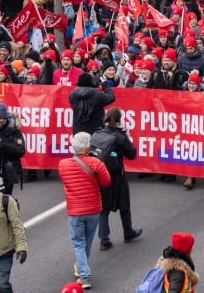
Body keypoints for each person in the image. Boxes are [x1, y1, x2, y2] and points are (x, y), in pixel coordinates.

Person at [58, 132, 112, 289]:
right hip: (94, 209)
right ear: (88, 146)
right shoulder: (95, 163)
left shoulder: (63, 165)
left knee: (79, 243)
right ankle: (80, 266)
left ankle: (85, 276)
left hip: (75, 211)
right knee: (86, 241)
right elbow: (106, 182)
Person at [96, 108, 142, 251]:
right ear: (118, 121)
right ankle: (128, 232)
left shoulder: (97, 134)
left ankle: (104, 240)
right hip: (117, 175)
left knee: (103, 208)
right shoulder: (119, 137)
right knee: (124, 205)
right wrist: (127, 137)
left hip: (101, 174)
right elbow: (132, 154)